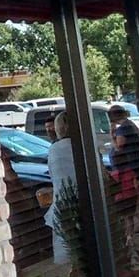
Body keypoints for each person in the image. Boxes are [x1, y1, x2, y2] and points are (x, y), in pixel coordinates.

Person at [109, 103, 139, 230]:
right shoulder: (130, 125)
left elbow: (118, 146)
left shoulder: (123, 128)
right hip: (135, 165)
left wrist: (112, 134)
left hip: (131, 168)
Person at [44, 109, 78, 264]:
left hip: (62, 204)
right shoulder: (83, 146)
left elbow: (53, 176)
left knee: (70, 251)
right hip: (84, 202)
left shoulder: (54, 150)